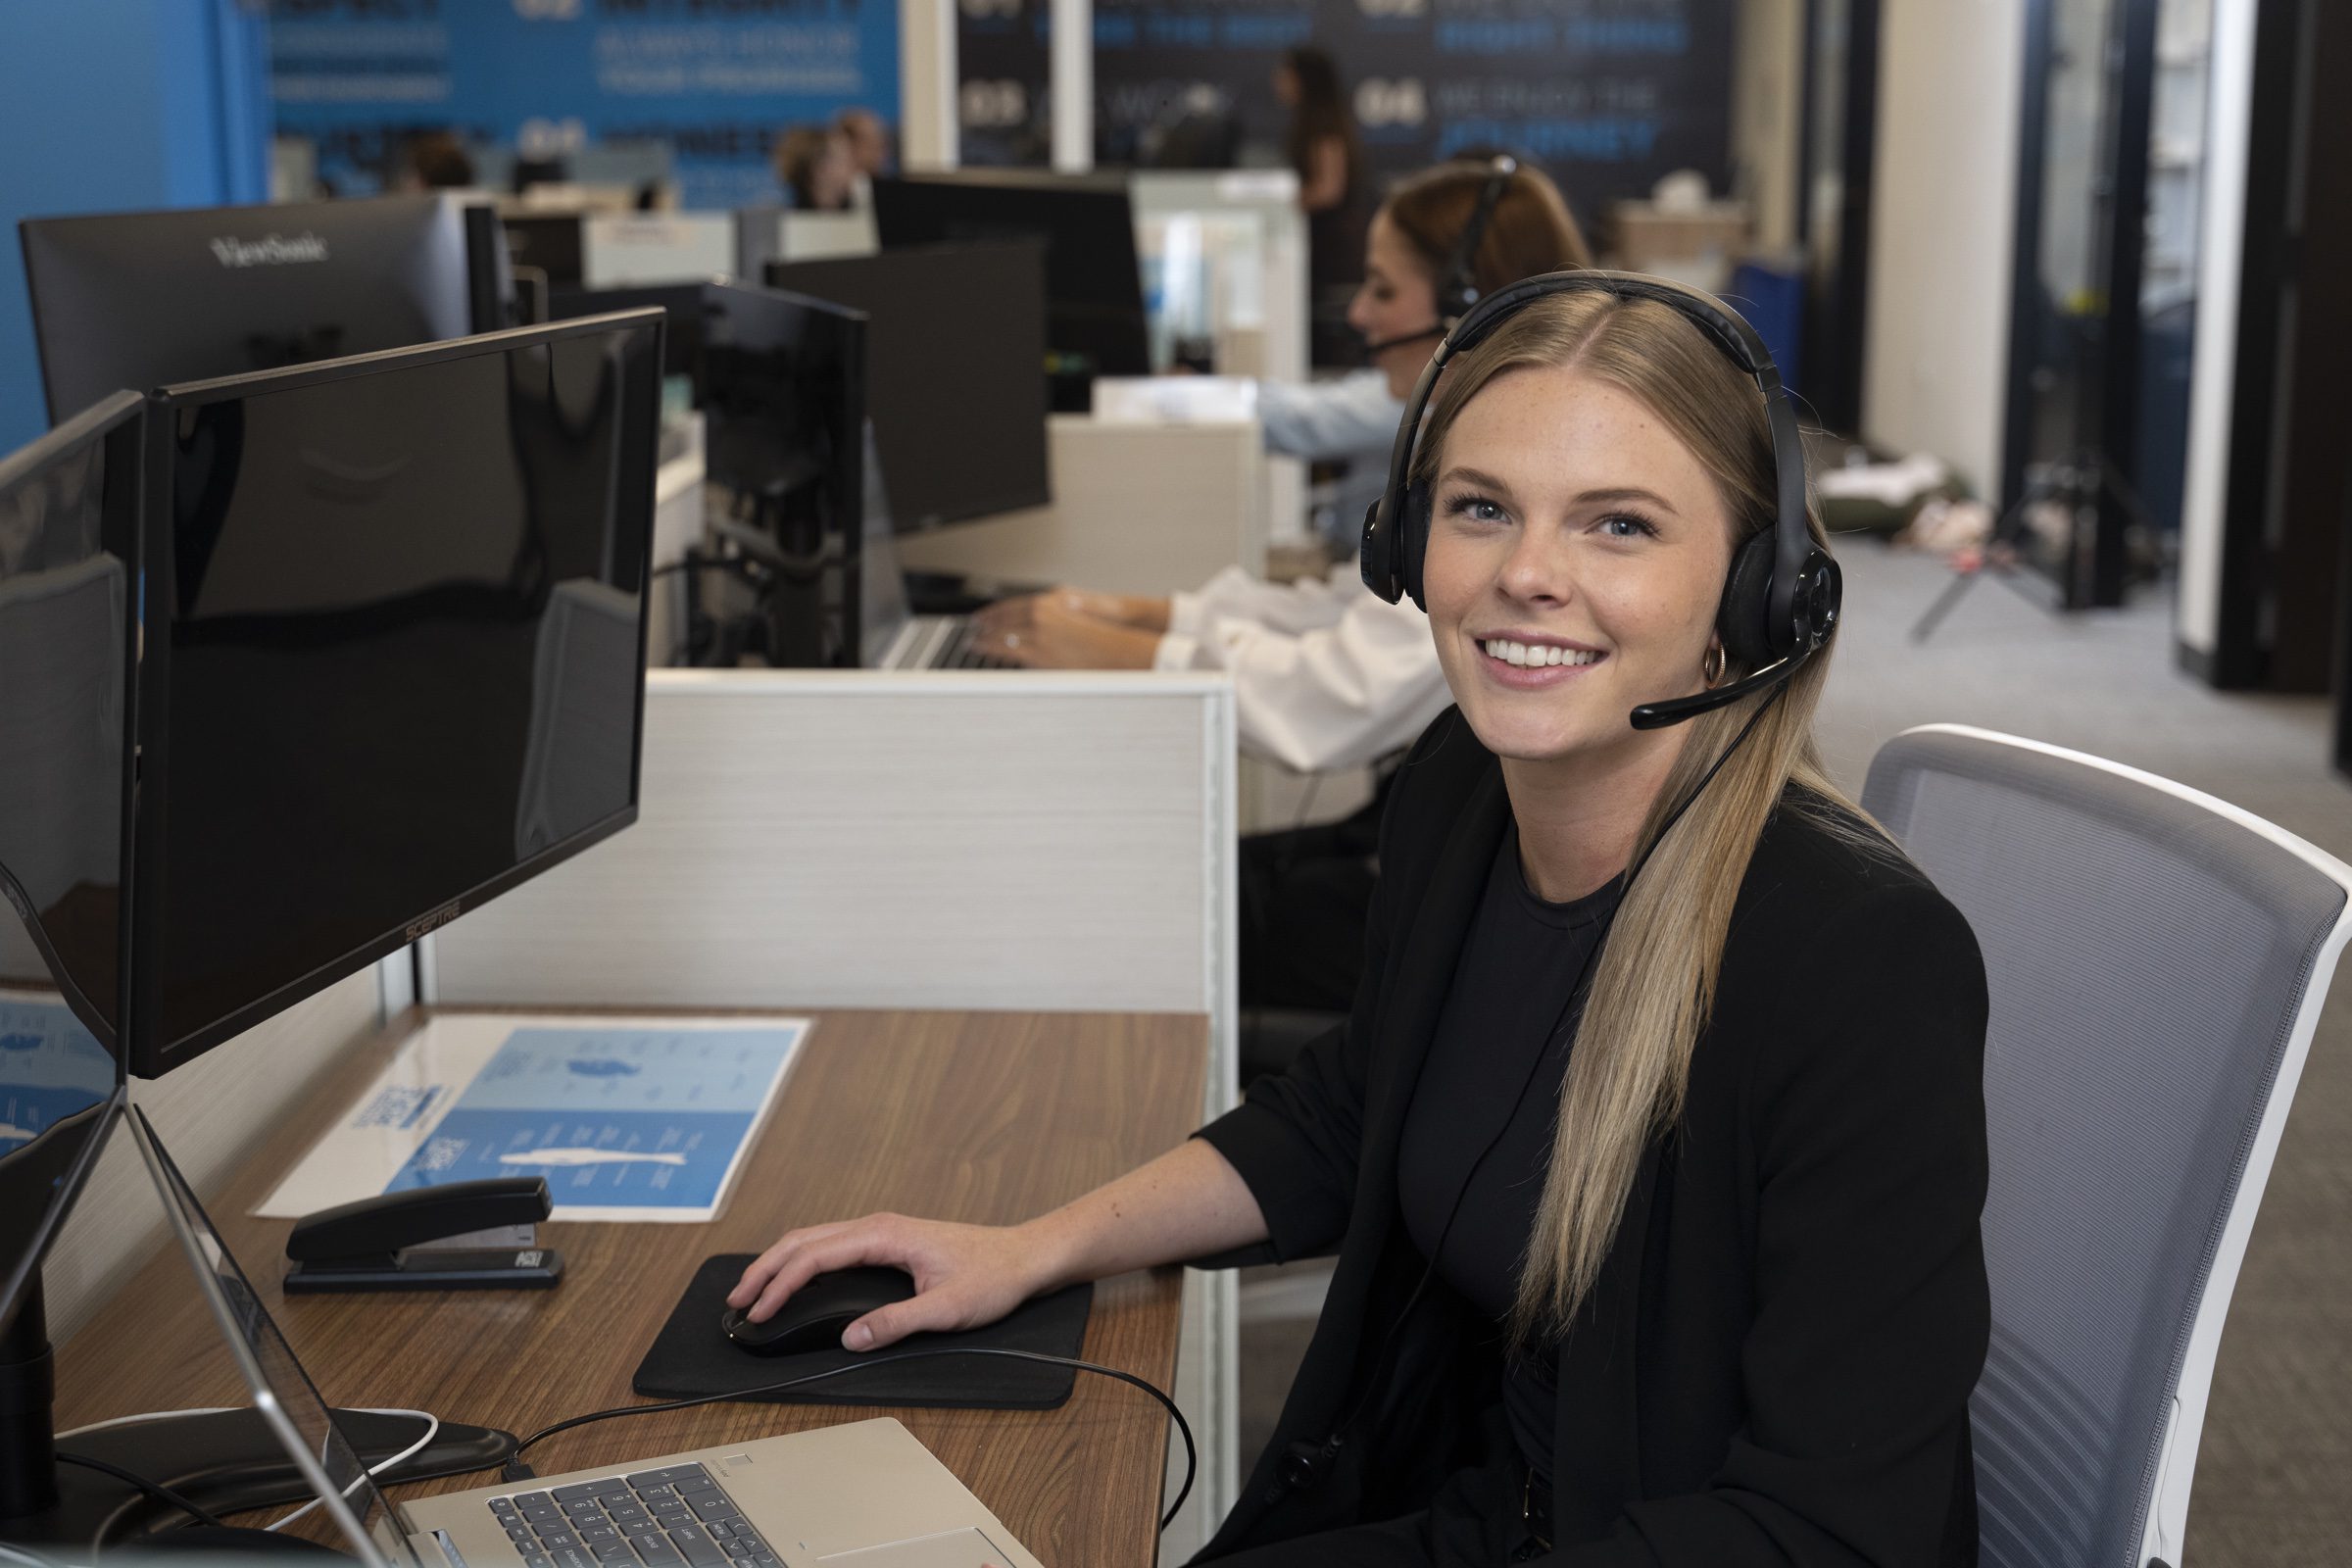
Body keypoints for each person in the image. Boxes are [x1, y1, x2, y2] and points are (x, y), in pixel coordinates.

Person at [728, 277, 1991, 1564]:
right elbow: (1351, 1109)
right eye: (1480, 509)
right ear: (1406, 543)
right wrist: (1028, 1250)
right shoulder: (1459, 792)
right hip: (1477, 1497)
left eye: (1619, 525)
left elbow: (1833, 1536)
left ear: (1753, 599)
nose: (1527, 576)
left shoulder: (1853, 963)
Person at [972, 158, 1590, 1012]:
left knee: (1151, 907)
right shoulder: (1480, 450)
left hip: (1484, 910)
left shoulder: (1520, 482)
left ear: (1464, 308)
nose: (1361, 314)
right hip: (1446, 841)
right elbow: (1342, 611)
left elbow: (1324, 698)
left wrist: (1121, 650)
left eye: (1381, 289)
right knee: (1172, 880)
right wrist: (1138, 614)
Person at [1276, 45, 1369, 367]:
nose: (1279, 82)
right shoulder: (1314, 124)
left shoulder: (1324, 128)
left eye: (1286, 74)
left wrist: (1285, 204)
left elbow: (1329, 189)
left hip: (1333, 250)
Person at [774, 124, 856, 211]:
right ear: (820, 169)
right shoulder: (790, 219)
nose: (854, 167)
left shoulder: (859, 210)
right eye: (844, 160)